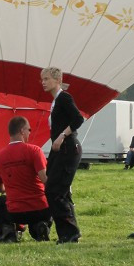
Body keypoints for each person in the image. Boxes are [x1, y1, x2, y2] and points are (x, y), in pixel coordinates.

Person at [0, 116, 52, 243]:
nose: (29, 133)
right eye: (29, 130)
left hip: (15, 211)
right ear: (22, 131)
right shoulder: (35, 151)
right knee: (52, 199)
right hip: (40, 208)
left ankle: (8, 230)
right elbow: (45, 179)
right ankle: (39, 227)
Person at [41, 66, 84, 243]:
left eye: (47, 79)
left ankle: (69, 233)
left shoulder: (64, 98)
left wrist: (61, 135)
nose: (43, 82)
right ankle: (68, 233)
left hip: (68, 148)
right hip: (60, 150)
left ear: (58, 80)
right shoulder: (55, 101)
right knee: (56, 189)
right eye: (42, 79)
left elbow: (78, 119)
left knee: (55, 190)